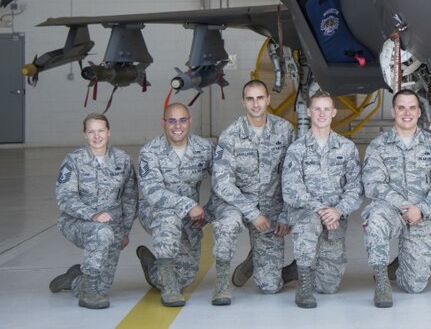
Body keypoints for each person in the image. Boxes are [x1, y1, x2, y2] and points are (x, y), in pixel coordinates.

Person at [361, 89, 431, 308]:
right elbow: (373, 184)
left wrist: (421, 209)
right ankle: (382, 278)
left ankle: (402, 264)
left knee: (415, 286)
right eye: (401, 108)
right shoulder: (378, 145)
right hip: (391, 211)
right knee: (375, 221)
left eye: (412, 108)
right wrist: (404, 206)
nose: (407, 113)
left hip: (422, 216)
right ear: (393, 111)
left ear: (419, 112)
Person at [207, 79, 295, 305]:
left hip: (270, 207)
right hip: (234, 204)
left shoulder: (284, 131)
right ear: (243, 102)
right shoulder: (231, 135)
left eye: (259, 98)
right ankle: (222, 284)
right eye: (250, 99)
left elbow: (292, 176)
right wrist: (251, 212)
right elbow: (222, 183)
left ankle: (254, 260)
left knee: (270, 287)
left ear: (268, 100)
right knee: (227, 224)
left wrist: (285, 214)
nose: (255, 104)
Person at [282, 91, 362, 308]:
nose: (321, 113)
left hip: (335, 219)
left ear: (334, 113)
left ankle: (297, 268)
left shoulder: (346, 148)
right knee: (309, 223)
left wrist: (338, 210)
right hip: (306, 213)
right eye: (317, 109)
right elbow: (291, 189)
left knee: (329, 287)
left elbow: (355, 187)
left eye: (326, 109)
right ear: (308, 112)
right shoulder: (297, 149)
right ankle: (304, 286)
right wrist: (321, 210)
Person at [49, 113, 137, 309]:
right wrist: (92, 215)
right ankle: (87, 292)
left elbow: (130, 198)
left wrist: (125, 231)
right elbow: (65, 197)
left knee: (103, 287)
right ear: (85, 134)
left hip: (113, 226)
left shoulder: (122, 160)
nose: (96, 136)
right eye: (91, 132)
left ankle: (74, 279)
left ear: (108, 132)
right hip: (76, 222)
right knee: (101, 231)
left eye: (100, 131)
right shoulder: (73, 160)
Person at [134, 103, 213, 306]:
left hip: (189, 216)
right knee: (167, 219)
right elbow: (153, 191)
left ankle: (152, 265)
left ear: (190, 122)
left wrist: (209, 213)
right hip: (155, 210)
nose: (177, 126)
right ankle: (169, 288)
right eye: (172, 121)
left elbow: (222, 182)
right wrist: (188, 206)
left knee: (185, 278)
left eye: (183, 120)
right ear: (163, 123)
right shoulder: (150, 152)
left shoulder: (204, 148)